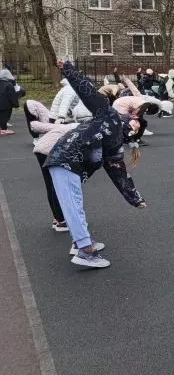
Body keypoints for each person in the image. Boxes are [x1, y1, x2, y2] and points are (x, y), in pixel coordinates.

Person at [44, 61, 147, 269]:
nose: (136, 126)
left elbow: (119, 175)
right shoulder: (109, 115)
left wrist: (135, 199)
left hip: (72, 163)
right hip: (65, 157)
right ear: (129, 116)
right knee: (73, 205)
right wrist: (69, 70)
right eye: (136, 122)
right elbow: (89, 93)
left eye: (138, 128)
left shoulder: (115, 147)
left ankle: (80, 242)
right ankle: (85, 250)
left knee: (75, 204)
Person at [24, 100, 73, 231]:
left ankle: (57, 219)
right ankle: (62, 221)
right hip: (48, 150)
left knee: (50, 184)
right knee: (57, 185)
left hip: (42, 147)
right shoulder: (75, 127)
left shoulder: (62, 124)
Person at [0, 67, 24, 135]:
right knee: (4, 117)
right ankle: (4, 129)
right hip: (5, 105)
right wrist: (15, 104)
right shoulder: (9, 85)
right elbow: (12, 96)